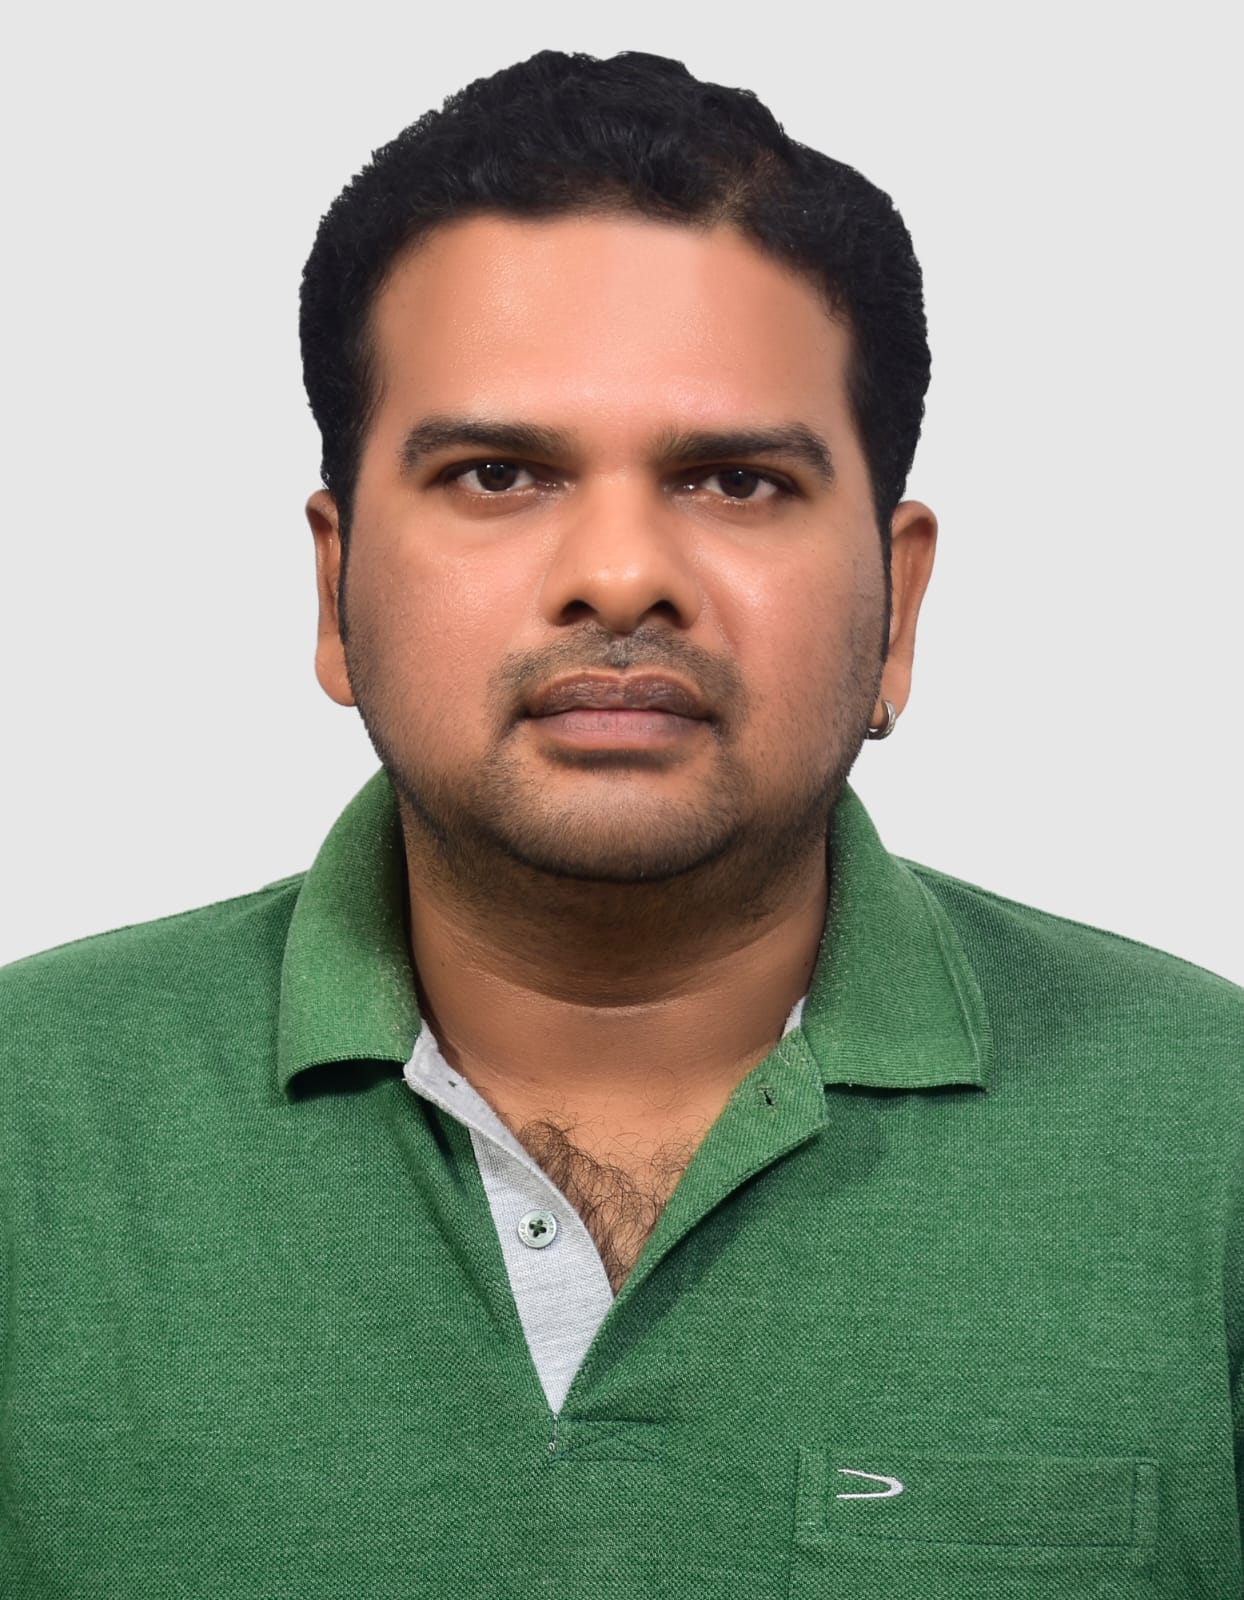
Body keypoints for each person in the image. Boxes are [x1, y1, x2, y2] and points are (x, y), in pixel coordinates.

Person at [1, 48, 1239, 1600]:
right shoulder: (24, 1120)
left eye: (734, 482)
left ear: (899, 602)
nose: (620, 574)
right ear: (333, 587)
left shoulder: (1216, 1136)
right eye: (497, 472)